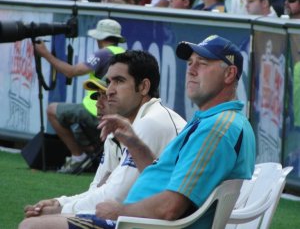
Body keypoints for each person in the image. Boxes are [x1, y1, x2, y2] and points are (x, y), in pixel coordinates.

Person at [20, 35, 256, 229]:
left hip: (139, 225)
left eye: (202, 63)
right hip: (138, 222)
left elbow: (170, 207)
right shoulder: (212, 121)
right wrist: (136, 144)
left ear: (229, 74)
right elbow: (164, 181)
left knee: (32, 227)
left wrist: (120, 211)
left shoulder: (217, 128)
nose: (191, 70)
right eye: (190, 63)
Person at [20, 50, 186, 226]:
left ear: (144, 87)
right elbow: (98, 189)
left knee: (34, 225)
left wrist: (62, 209)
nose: (109, 91)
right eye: (109, 82)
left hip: (152, 223)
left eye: (119, 81)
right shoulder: (120, 130)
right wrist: (60, 202)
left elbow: (116, 196)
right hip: (136, 218)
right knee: (37, 221)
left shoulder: (152, 122)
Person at [33, 19, 125, 174]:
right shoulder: (123, 54)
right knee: (77, 126)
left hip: (96, 110)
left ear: (100, 38)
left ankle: (78, 157)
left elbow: (72, 71)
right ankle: (91, 157)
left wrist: (45, 54)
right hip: (115, 113)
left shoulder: (103, 53)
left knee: (51, 110)